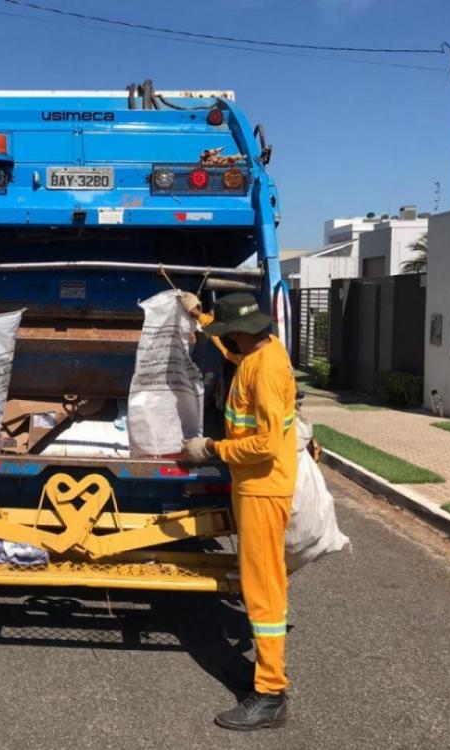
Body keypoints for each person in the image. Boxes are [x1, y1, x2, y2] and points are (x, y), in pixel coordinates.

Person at [178, 291, 297, 731]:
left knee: (262, 588)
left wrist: (212, 448)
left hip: (263, 491)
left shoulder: (264, 374)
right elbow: (230, 348)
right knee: (260, 583)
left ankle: (269, 694)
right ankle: (266, 679)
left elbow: (264, 444)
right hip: (260, 488)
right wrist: (199, 314)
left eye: (230, 333)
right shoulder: (265, 349)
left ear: (246, 333)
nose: (227, 340)